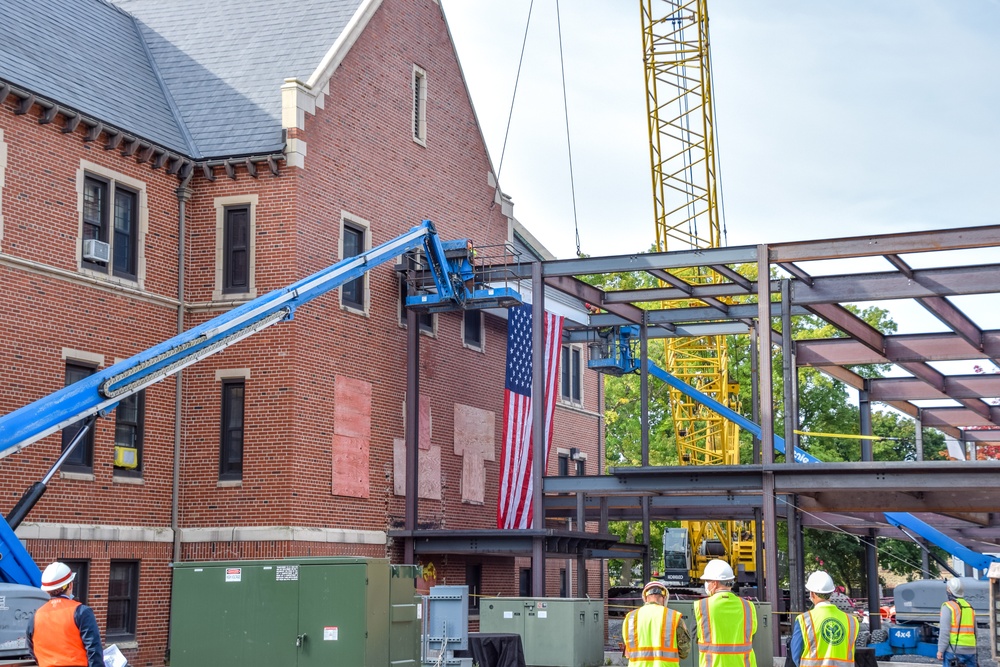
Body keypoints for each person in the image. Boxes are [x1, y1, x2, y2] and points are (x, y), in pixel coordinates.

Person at [26, 561, 103, 667]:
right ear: (70, 585)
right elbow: (94, 650)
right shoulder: (81, 611)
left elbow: (32, 649)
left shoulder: (36, 616)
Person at [693, 559, 757, 667]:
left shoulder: (701, 607)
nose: (705, 584)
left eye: (707, 581)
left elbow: (695, 637)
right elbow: (752, 636)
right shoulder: (748, 607)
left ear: (715, 583)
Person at [791, 571, 858, 667]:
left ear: (812, 594)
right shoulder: (851, 621)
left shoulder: (804, 620)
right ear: (831, 593)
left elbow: (796, 655)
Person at [623, 580, 690, 667]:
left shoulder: (630, 618)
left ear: (645, 598)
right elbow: (684, 653)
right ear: (664, 598)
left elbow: (627, 654)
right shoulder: (674, 617)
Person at [937, 578, 977, 667]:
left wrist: (940, 650)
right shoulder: (969, 607)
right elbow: (975, 631)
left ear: (949, 590)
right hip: (971, 650)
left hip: (954, 650)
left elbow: (944, 631)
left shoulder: (948, 606)